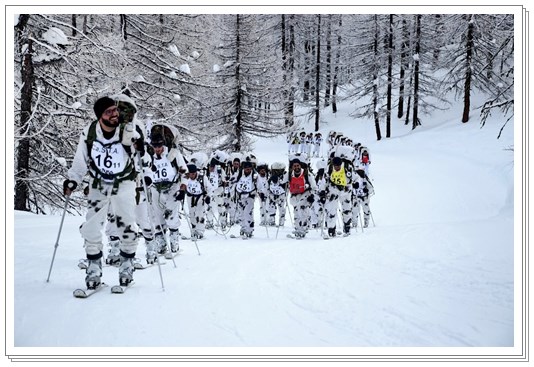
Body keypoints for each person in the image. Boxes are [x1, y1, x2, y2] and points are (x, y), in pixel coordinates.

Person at [63, 95, 144, 289]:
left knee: (126, 225)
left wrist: (139, 146)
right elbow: (81, 159)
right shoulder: (90, 132)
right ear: (100, 116)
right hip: (99, 183)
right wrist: (73, 179)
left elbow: (141, 153)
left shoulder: (127, 129)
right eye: (109, 112)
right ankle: (94, 266)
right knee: (91, 225)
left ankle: (126, 264)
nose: (115, 114)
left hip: (124, 183)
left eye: (115, 110)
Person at [146, 132, 187, 261]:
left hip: (171, 187)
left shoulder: (172, 154)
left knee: (171, 215)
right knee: (156, 217)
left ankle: (174, 242)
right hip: (156, 188)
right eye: (155, 146)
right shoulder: (149, 156)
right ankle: (161, 244)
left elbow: (184, 171)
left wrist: (182, 188)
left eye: (159, 145)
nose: (157, 149)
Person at [324, 155, 354, 237]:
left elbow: (354, 177)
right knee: (331, 210)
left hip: (345, 191)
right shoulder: (329, 168)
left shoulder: (347, 167)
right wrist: (323, 190)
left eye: (338, 166)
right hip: (333, 190)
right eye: (335, 166)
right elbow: (325, 180)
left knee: (347, 209)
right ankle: (331, 229)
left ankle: (347, 227)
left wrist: (356, 183)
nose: (337, 167)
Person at [287, 157, 316, 238]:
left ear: (300, 165)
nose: (296, 167)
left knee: (302, 209)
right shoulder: (289, 174)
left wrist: (312, 196)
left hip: (305, 193)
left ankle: (302, 228)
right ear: (292, 167)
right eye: (294, 166)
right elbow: (283, 182)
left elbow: (314, 187)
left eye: (298, 165)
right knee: (296, 211)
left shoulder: (307, 174)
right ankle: (298, 228)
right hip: (295, 195)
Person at [178, 163, 208, 239]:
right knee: (192, 214)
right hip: (190, 197)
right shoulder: (185, 177)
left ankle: (200, 231)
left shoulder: (202, 177)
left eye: (193, 174)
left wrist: (208, 196)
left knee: (199, 213)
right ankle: (194, 230)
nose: (192, 176)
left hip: (200, 196)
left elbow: (209, 187)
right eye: (190, 174)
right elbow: (180, 186)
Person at [231, 160, 257, 238]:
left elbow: (259, 184)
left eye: (249, 169)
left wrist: (262, 193)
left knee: (247, 212)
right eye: (246, 169)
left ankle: (249, 230)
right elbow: (234, 181)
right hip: (241, 196)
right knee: (241, 214)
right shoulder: (240, 174)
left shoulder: (254, 175)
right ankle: (243, 228)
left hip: (250, 196)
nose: (248, 170)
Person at [267, 162, 288, 227]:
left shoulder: (284, 176)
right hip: (272, 194)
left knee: (281, 208)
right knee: (271, 208)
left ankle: (281, 222)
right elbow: (267, 184)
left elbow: (285, 183)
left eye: (279, 170)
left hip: (281, 194)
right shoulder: (270, 176)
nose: (277, 172)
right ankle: (271, 221)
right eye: (275, 170)